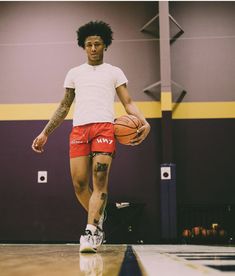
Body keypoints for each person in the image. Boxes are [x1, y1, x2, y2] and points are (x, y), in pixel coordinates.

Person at [32, 21, 150, 253]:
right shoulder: (74, 73)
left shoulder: (114, 72)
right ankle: (100, 216)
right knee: (79, 185)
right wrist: (45, 133)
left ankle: (91, 231)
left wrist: (144, 121)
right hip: (79, 130)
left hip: (105, 129)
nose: (93, 48)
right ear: (83, 47)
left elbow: (128, 102)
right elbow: (64, 106)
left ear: (105, 45)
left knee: (100, 181)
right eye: (89, 45)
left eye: (98, 44)